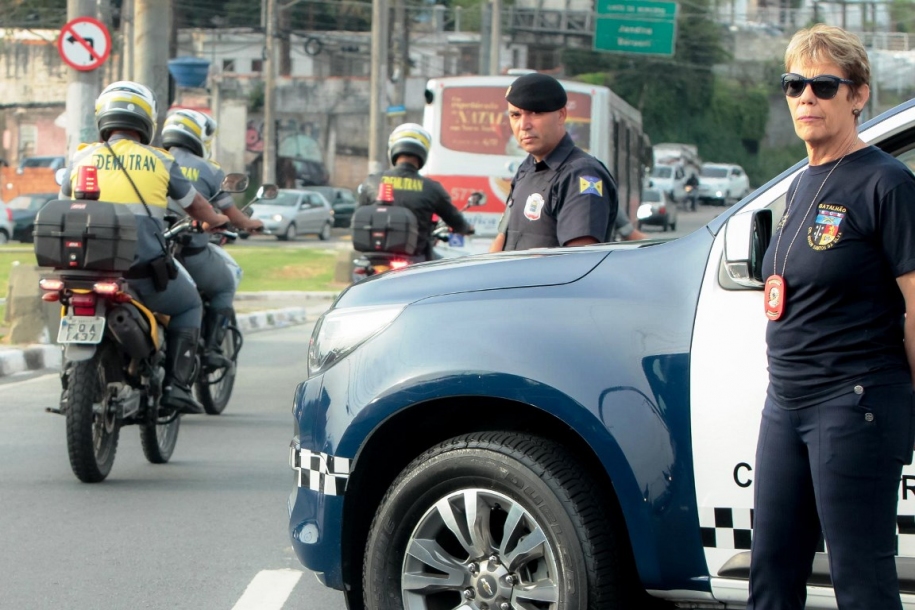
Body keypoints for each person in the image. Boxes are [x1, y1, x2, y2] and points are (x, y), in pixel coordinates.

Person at [748, 24, 915, 610]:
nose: (806, 98)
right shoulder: (801, 184)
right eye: (794, 85)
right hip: (786, 401)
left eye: (823, 85)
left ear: (858, 95)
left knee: (860, 579)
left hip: (854, 402)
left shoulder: (887, 183)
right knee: (770, 573)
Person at [59, 81, 230, 415]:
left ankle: (67, 380)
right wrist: (217, 219)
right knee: (190, 305)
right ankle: (177, 387)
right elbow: (196, 206)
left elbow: (64, 202)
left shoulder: (82, 156)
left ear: (103, 117)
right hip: (140, 276)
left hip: (84, 273)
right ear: (147, 120)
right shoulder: (160, 160)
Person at [161, 108, 263, 370]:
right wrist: (250, 224)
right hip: (188, 254)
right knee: (225, 285)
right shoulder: (209, 169)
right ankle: (211, 350)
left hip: (151, 248)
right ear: (200, 136)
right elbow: (232, 215)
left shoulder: (155, 159)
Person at [489, 72, 618, 252]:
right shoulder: (527, 168)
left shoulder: (580, 175)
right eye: (515, 115)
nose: (523, 125)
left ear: (561, 115)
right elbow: (502, 239)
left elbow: (579, 259)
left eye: (535, 113)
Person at [357, 123, 473, 261]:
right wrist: (466, 228)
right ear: (423, 152)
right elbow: (454, 219)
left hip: (374, 258)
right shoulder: (432, 188)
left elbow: (359, 214)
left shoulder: (371, 182)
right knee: (446, 268)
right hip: (416, 259)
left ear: (393, 149)